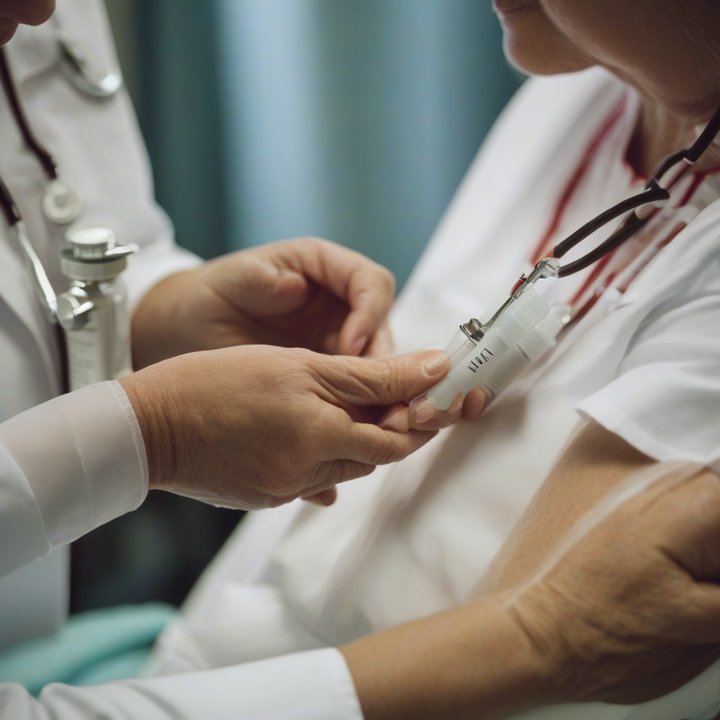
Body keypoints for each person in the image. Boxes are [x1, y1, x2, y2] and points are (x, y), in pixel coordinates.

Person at [2, 0, 720, 718]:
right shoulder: (574, 84)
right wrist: (537, 639)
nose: (44, 11)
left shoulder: (582, 79)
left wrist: (155, 320)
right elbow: (521, 650)